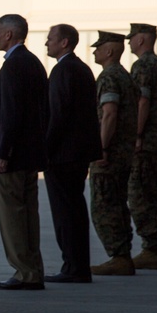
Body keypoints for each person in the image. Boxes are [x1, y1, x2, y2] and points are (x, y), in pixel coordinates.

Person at [0, 14, 48, 291]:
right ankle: (32, 269)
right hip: (29, 155)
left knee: (13, 218)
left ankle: (24, 272)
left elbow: (11, 114)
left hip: (12, 157)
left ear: (9, 34)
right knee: (28, 215)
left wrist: (2, 152)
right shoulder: (32, 63)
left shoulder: (13, 66)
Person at [43, 24, 101, 283]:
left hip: (63, 155)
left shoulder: (62, 70)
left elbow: (57, 114)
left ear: (64, 42)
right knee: (75, 210)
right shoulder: (82, 68)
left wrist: (45, 149)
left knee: (65, 213)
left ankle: (73, 267)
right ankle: (78, 265)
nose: (46, 43)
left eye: (50, 39)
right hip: (77, 153)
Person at [127, 23, 157, 270]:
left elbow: (142, 101)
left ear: (142, 39)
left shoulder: (143, 66)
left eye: (132, 37)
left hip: (146, 145)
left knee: (141, 196)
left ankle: (152, 249)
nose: (129, 42)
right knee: (156, 195)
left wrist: (135, 135)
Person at [88, 32, 139, 276]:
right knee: (118, 203)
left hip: (110, 153)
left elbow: (109, 113)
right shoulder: (125, 76)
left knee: (104, 206)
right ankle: (123, 255)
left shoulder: (109, 76)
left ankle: (118, 256)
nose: (94, 51)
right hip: (124, 153)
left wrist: (102, 147)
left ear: (109, 51)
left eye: (98, 48)